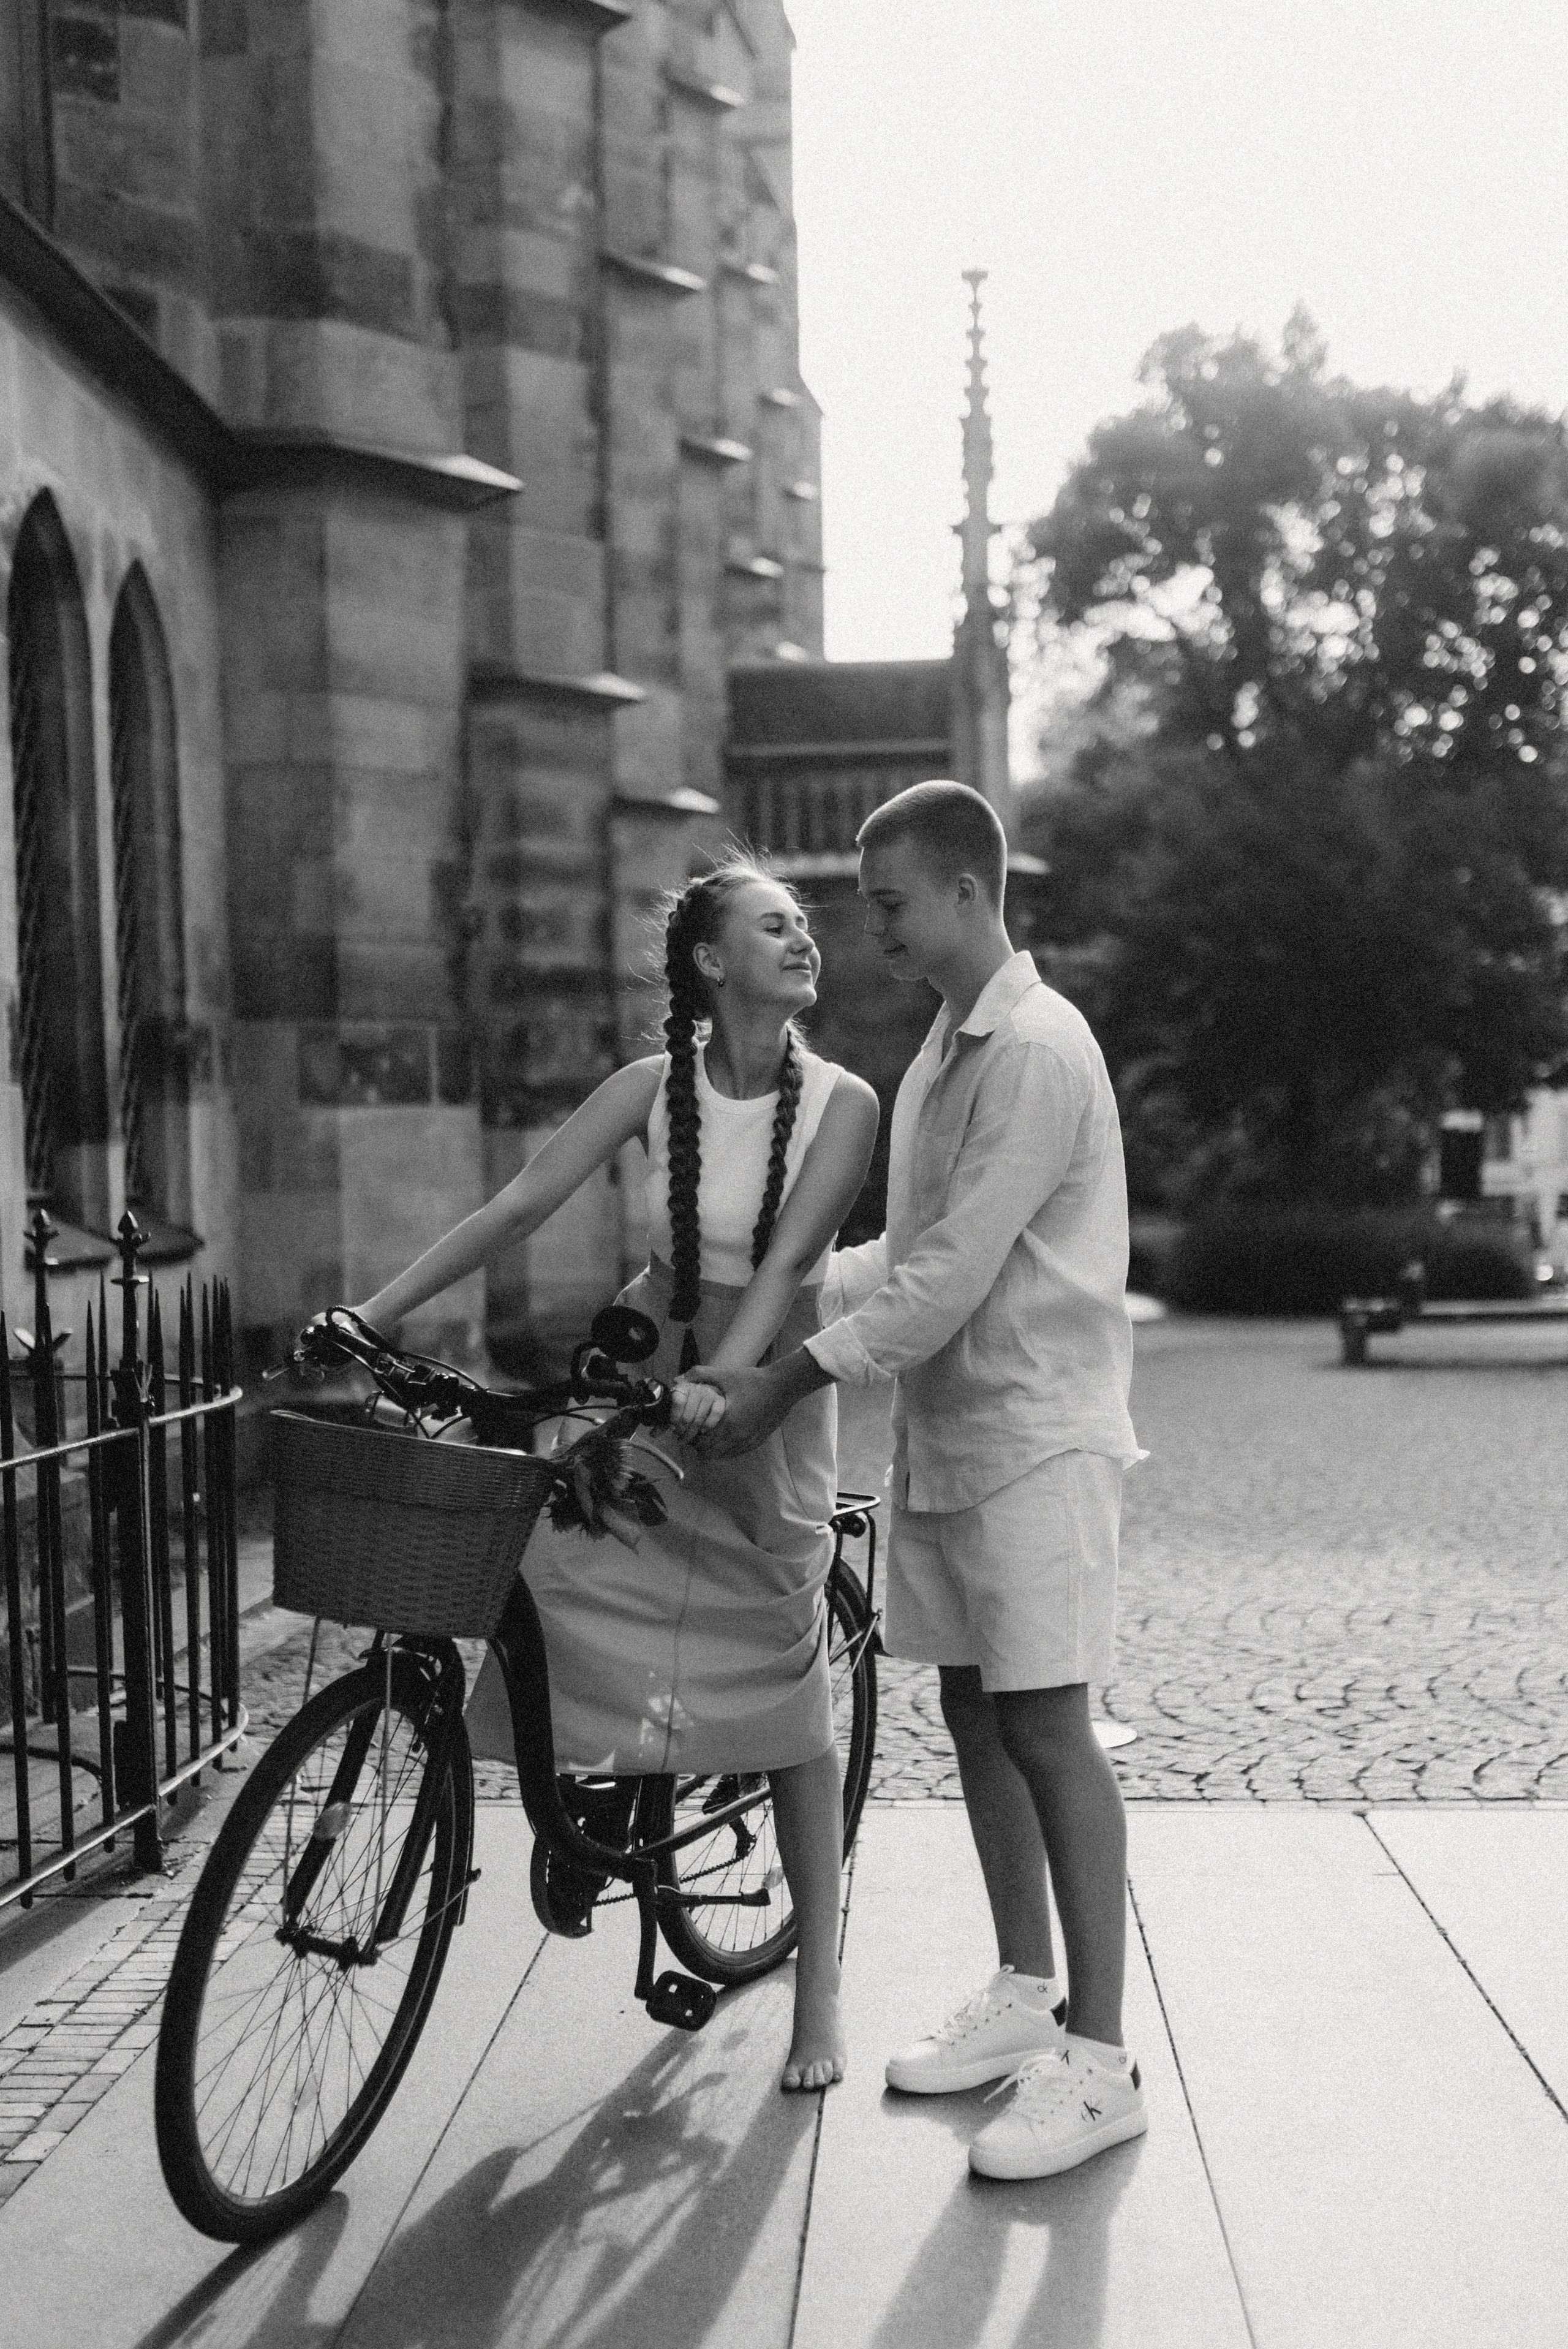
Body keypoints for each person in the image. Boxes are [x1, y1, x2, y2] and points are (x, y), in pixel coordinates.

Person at [345, 853, 878, 2094]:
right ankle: (585, 1798)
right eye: (774, 925)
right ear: (708, 960)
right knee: (552, 1549)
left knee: (787, 1679)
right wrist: (369, 1315)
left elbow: (796, 1257)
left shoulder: (844, 1100)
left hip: (766, 1376)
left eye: (805, 925)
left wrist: (729, 1390)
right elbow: (517, 1205)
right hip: (647, 1349)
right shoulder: (651, 1085)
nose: (803, 939)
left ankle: (820, 1997)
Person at [687, 781, 1147, 2179]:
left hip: (1036, 1438)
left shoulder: (1035, 1049)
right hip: (950, 1439)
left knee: (1050, 1724)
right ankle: (1021, 1996)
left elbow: (948, 1277)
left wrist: (785, 1374)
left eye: (886, 902)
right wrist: (754, 1303)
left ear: (960, 891)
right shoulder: (949, 1044)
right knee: (966, 1706)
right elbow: (903, 1249)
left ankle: (1101, 2058)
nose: (870, 927)